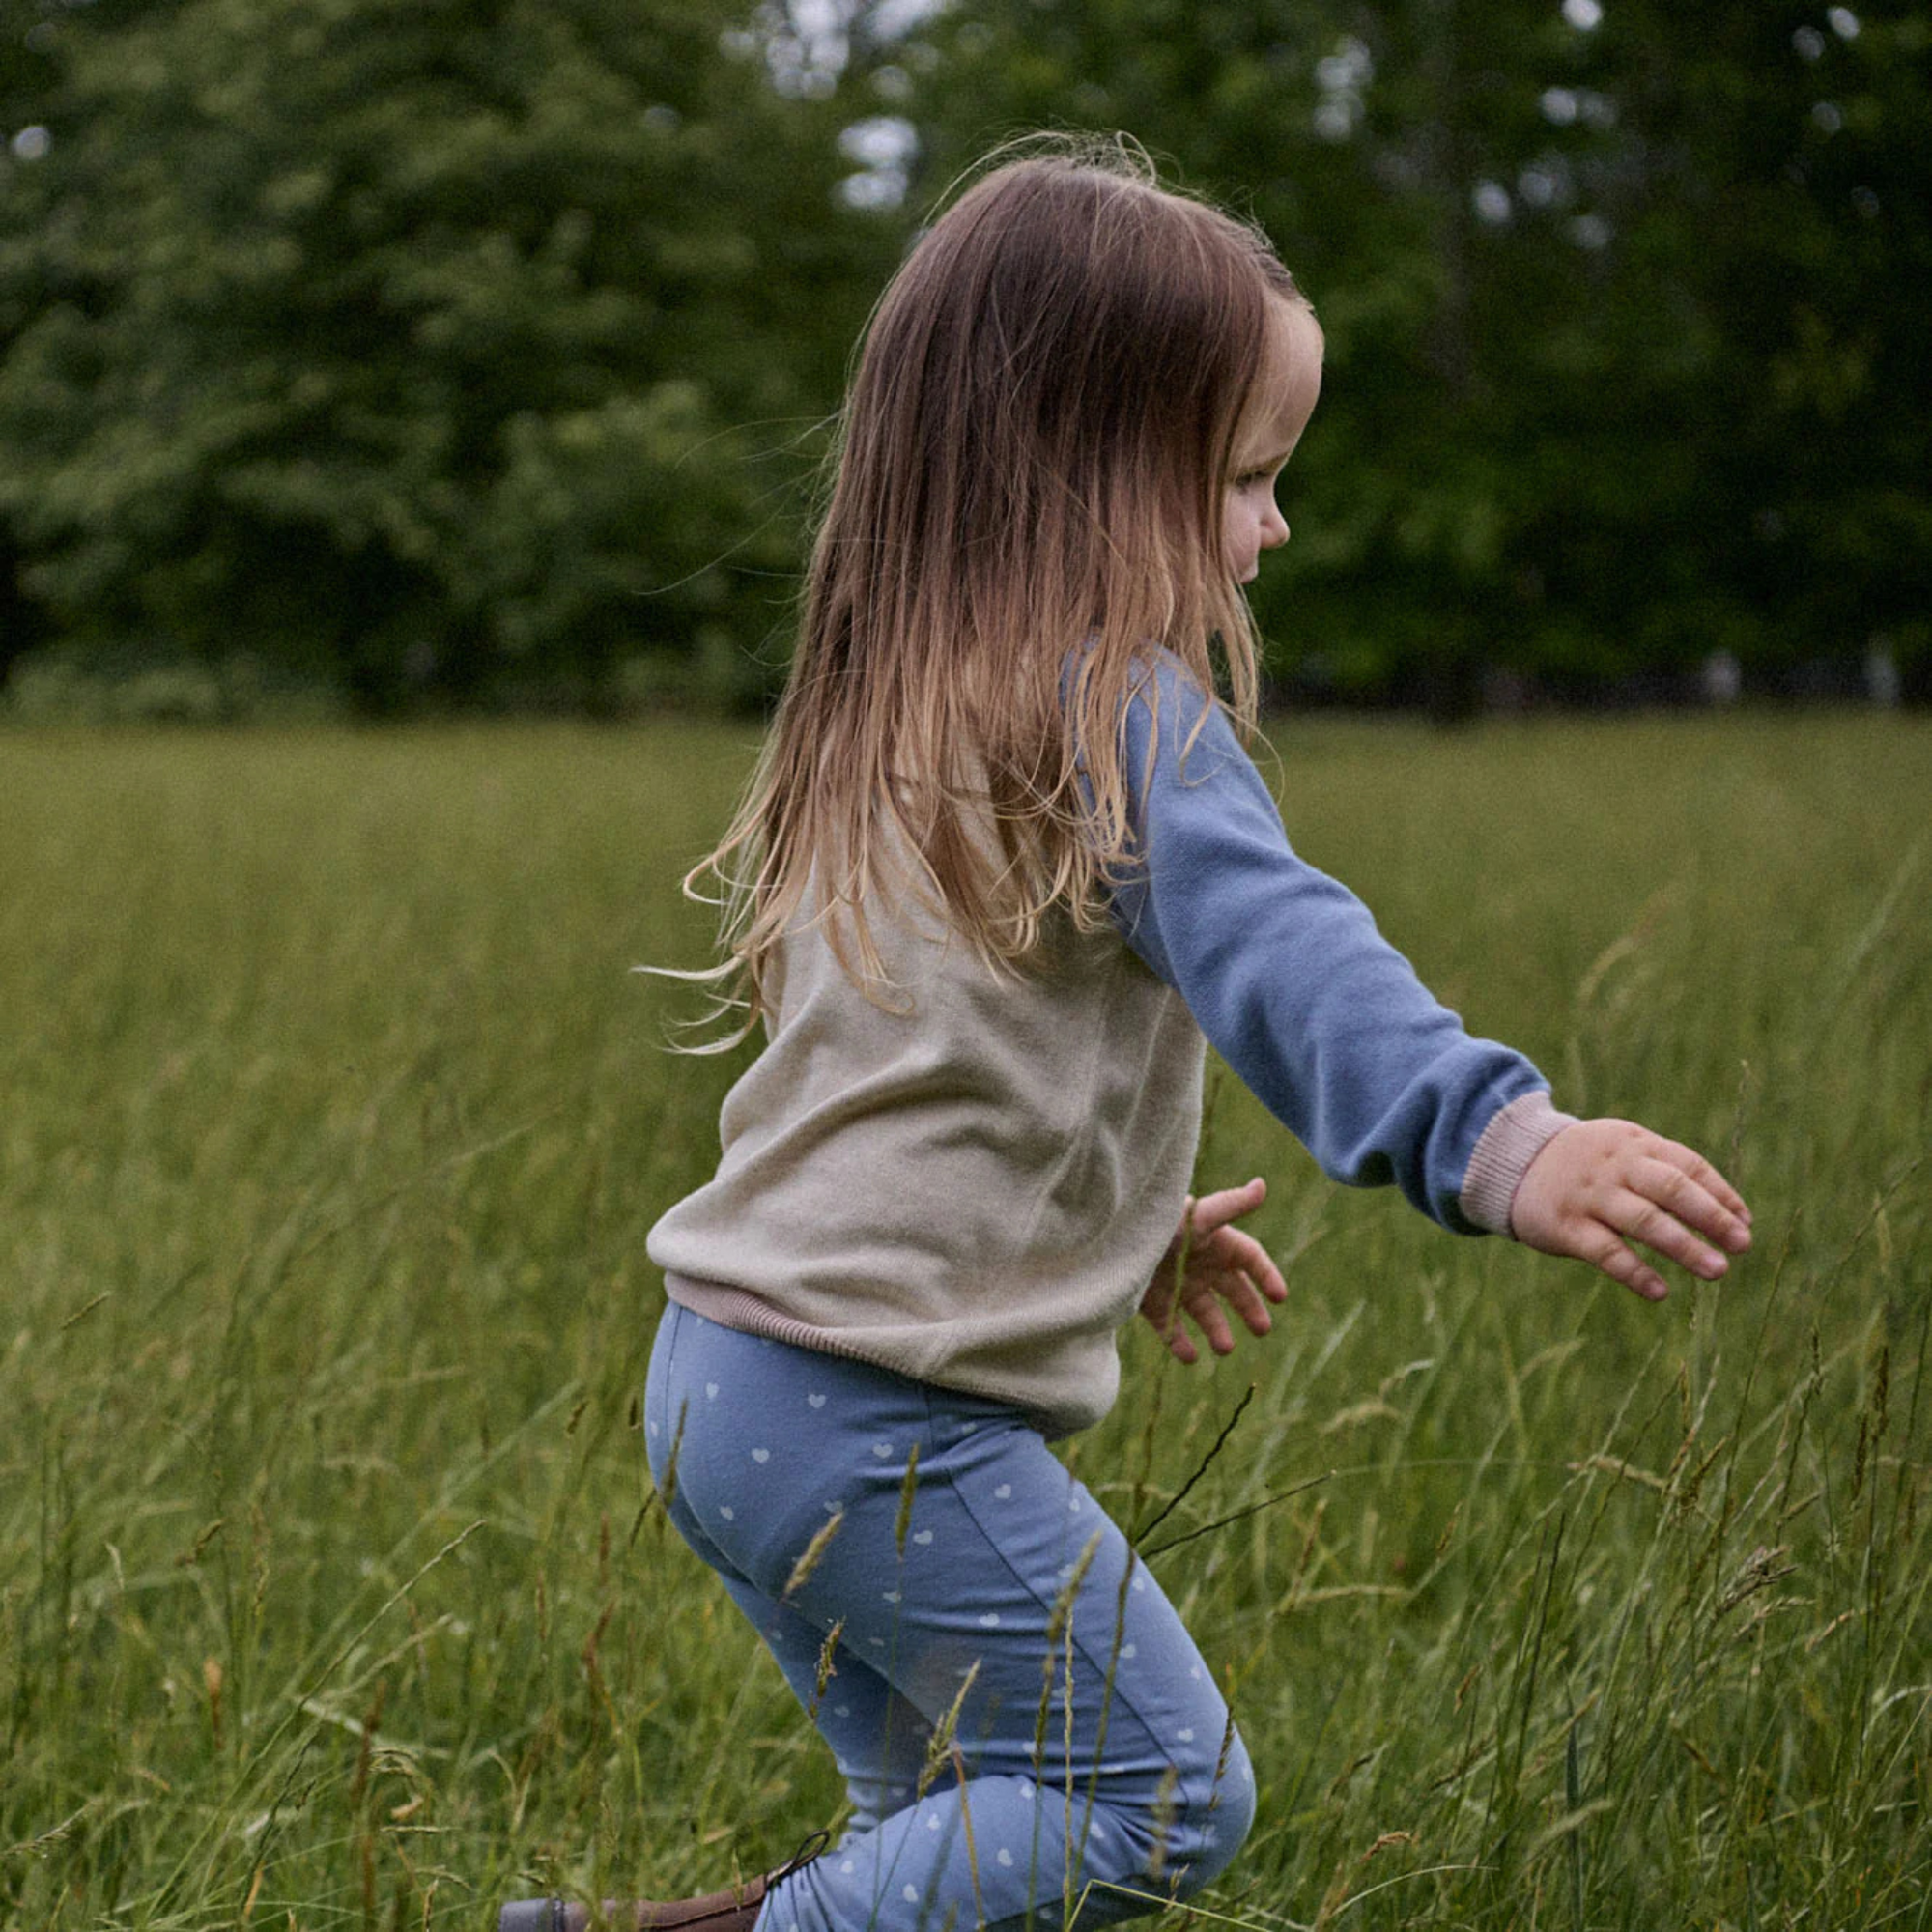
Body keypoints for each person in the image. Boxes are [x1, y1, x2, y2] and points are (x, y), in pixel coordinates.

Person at [498, 137, 1751, 1932]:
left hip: (729, 1381)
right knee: (1155, 1794)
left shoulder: (896, 705)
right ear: (1094, 476)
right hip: (872, 1410)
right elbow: (1288, 953)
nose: (1274, 528)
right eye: (1243, 479)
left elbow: (927, 1069)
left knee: (955, 1833)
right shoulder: (1121, 714)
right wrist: (1501, 1138)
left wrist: (1110, 1218)